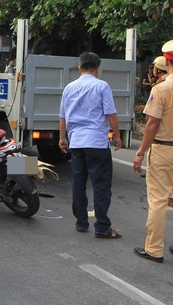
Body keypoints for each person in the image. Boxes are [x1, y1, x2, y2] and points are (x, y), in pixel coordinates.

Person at [133, 39, 173, 263]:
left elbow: (152, 123)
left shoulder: (162, 89)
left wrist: (141, 151)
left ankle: (154, 249)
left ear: (167, 62)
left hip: (164, 149)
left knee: (158, 201)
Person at [59, 52, 123, 238]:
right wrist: (117, 135)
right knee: (101, 185)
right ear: (97, 69)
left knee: (78, 183)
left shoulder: (69, 88)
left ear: (79, 68)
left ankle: (81, 222)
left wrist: (63, 138)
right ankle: (102, 227)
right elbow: (111, 114)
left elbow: (63, 116)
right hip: (96, 142)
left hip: (77, 143)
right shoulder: (101, 86)